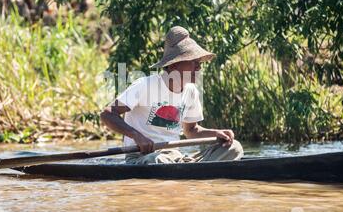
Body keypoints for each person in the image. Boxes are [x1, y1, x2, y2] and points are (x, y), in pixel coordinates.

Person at [100, 26, 244, 164]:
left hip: (174, 157)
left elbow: (191, 131)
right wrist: (136, 136)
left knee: (234, 148)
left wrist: (216, 133)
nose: (199, 67)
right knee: (157, 160)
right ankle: (186, 172)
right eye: (193, 62)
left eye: (199, 62)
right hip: (142, 157)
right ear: (174, 65)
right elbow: (107, 114)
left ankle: (188, 171)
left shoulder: (191, 91)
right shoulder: (145, 85)